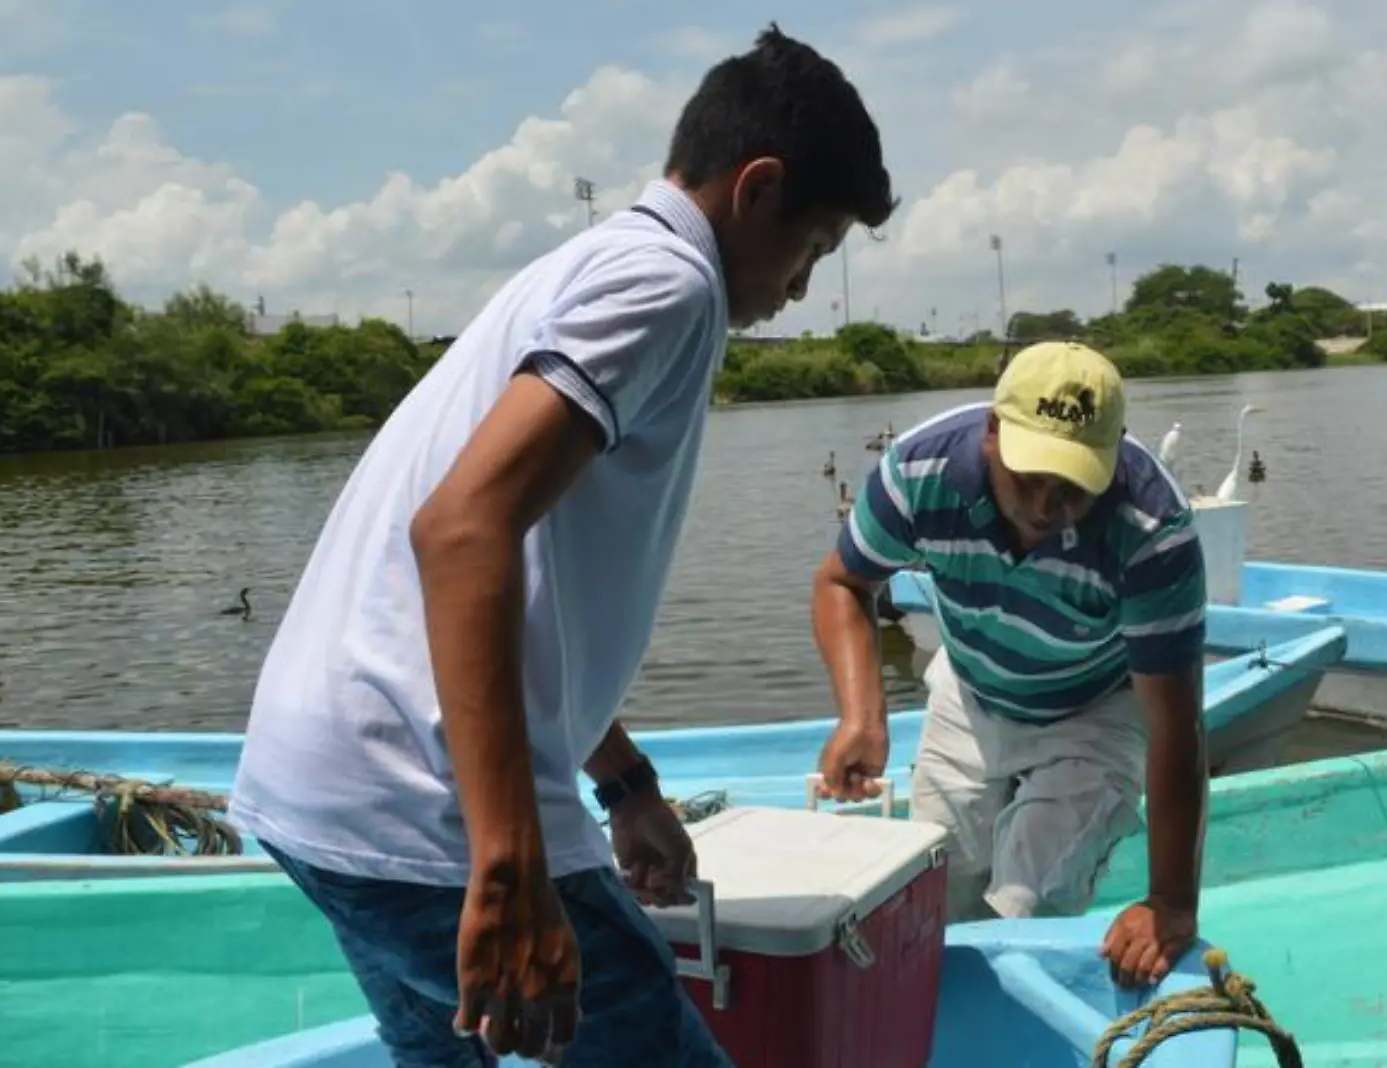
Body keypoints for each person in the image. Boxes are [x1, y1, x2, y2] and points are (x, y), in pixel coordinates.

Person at [227, 24, 896, 1068]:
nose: (801, 289)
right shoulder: (668, 286)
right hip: (423, 806)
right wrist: (510, 866)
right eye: (813, 246)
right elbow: (461, 531)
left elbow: (534, 592)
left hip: (317, 784)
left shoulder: (586, 267)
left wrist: (623, 782)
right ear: (755, 188)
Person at [811, 340, 1209, 989]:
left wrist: (1171, 902)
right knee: (934, 891)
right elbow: (843, 583)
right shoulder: (918, 473)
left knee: (1026, 901)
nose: (1048, 508)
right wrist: (861, 717)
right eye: (1030, 477)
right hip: (969, 688)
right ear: (992, 432)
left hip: (1094, 706)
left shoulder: (1151, 528)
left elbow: (1175, 728)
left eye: (1075, 486)